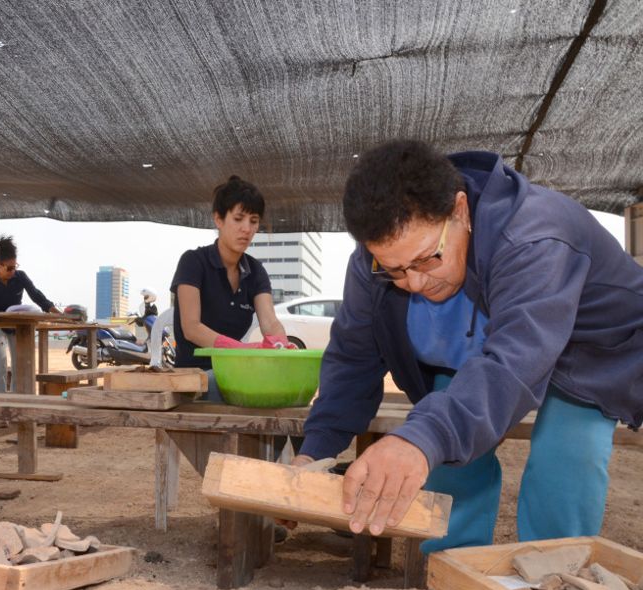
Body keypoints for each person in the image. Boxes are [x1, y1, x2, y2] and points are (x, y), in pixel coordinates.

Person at [290, 140, 643, 553]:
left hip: (590, 350)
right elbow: (354, 356)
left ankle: (553, 581)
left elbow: (514, 364)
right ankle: (452, 569)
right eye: (395, 271)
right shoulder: (376, 258)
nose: (415, 282)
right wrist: (313, 454)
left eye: (426, 260)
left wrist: (423, 438)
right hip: (490, 346)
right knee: (443, 453)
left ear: (460, 211)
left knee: (563, 458)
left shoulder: (532, 235)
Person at [170, 175, 293, 402]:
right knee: (229, 386)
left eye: (254, 221)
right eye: (238, 219)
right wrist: (240, 351)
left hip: (234, 371)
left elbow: (270, 322)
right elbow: (191, 328)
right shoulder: (193, 262)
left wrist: (284, 348)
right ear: (218, 219)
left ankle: (294, 436)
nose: (246, 229)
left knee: (288, 386)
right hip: (193, 376)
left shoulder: (255, 271)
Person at [0, 235, 62, 392]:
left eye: (15, 266)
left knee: (19, 362)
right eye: (9, 268)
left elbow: (36, 295)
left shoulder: (20, 277)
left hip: (15, 324)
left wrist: (54, 311)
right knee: (0, 361)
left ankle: (17, 396)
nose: (13, 271)